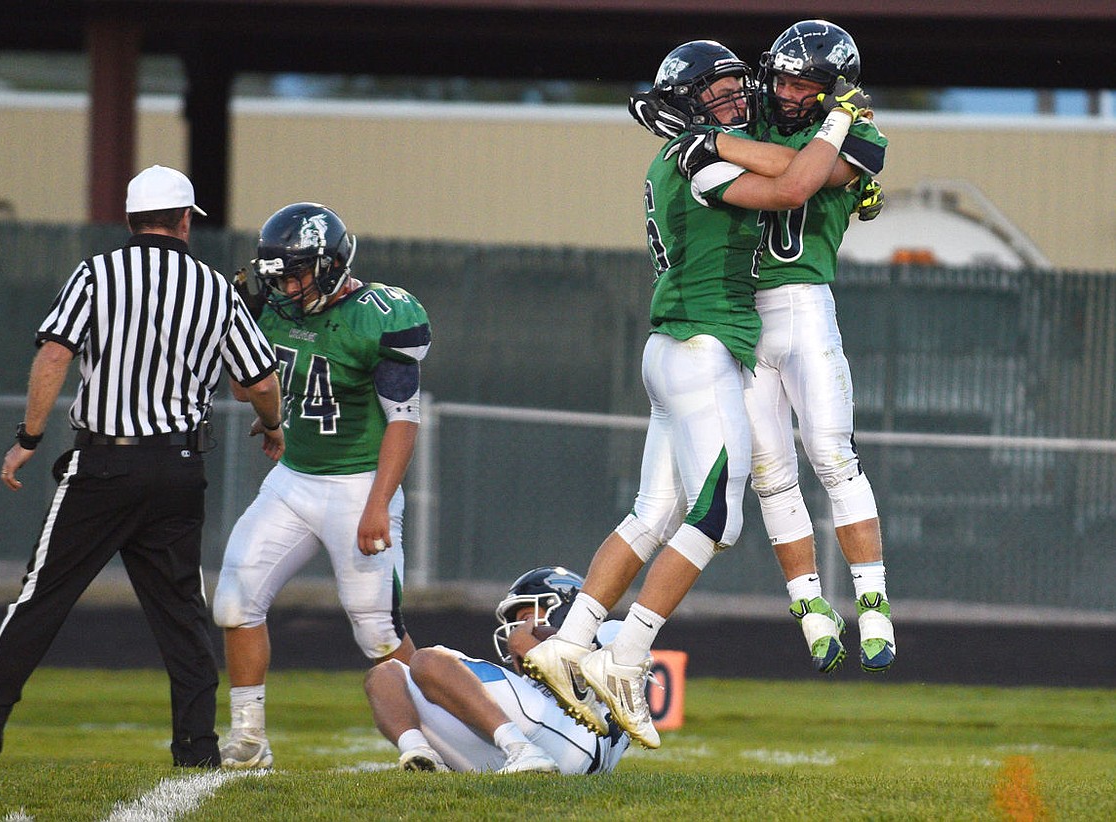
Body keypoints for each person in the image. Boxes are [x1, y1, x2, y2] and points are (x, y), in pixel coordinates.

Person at [523, 40, 871, 749]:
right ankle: (626, 656)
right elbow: (789, 187)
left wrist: (809, 145)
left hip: (681, 348)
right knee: (717, 520)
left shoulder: (704, 145)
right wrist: (836, 123)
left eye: (733, 87)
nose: (734, 99)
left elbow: (791, 173)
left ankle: (570, 640)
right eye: (713, 94)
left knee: (653, 513)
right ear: (684, 103)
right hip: (702, 348)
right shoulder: (694, 154)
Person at [0, 164, 283, 767]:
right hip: (180, 467)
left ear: (130, 219)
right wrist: (274, 426)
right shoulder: (215, 288)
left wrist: (28, 435)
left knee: (39, 599)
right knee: (182, 613)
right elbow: (259, 380)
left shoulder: (97, 274)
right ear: (185, 220)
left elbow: (55, 353)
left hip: (103, 465)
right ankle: (197, 747)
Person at [631, 20, 895, 676]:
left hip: (803, 304)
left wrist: (717, 140)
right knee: (772, 474)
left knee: (833, 455)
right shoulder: (762, 124)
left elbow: (811, 177)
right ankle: (809, 608)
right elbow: (793, 173)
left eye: (802, 81)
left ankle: (874, 604)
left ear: (832, 86)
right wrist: (707, 134)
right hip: (742, 318)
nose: (783, 90)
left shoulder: (857, 131)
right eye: (778, 75)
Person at [212, 202, 432, 769]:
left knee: (379, 634)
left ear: (330, 266)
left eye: (295, 272)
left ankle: (438, 732)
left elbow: (403, 420)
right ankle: (248, 736)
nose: (283, 286)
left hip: (358, 484)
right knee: (235, 599)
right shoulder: (272, 309)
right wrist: (244, 321)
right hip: (292, 481)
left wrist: (379, 505)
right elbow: (244, 391)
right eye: (276, 275)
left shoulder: (379, 314)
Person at [364, 566, 630, 774]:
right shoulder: (528, 683)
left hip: (580, 743)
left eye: (528, 617)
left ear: (568, 611)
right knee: (385, 674)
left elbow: (594, 657)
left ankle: (521, 748)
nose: (518, 629)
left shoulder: (610, 630)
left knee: (427, 661)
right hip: (529, 742)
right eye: (517, 623)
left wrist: (532, 639)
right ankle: (421, 755)